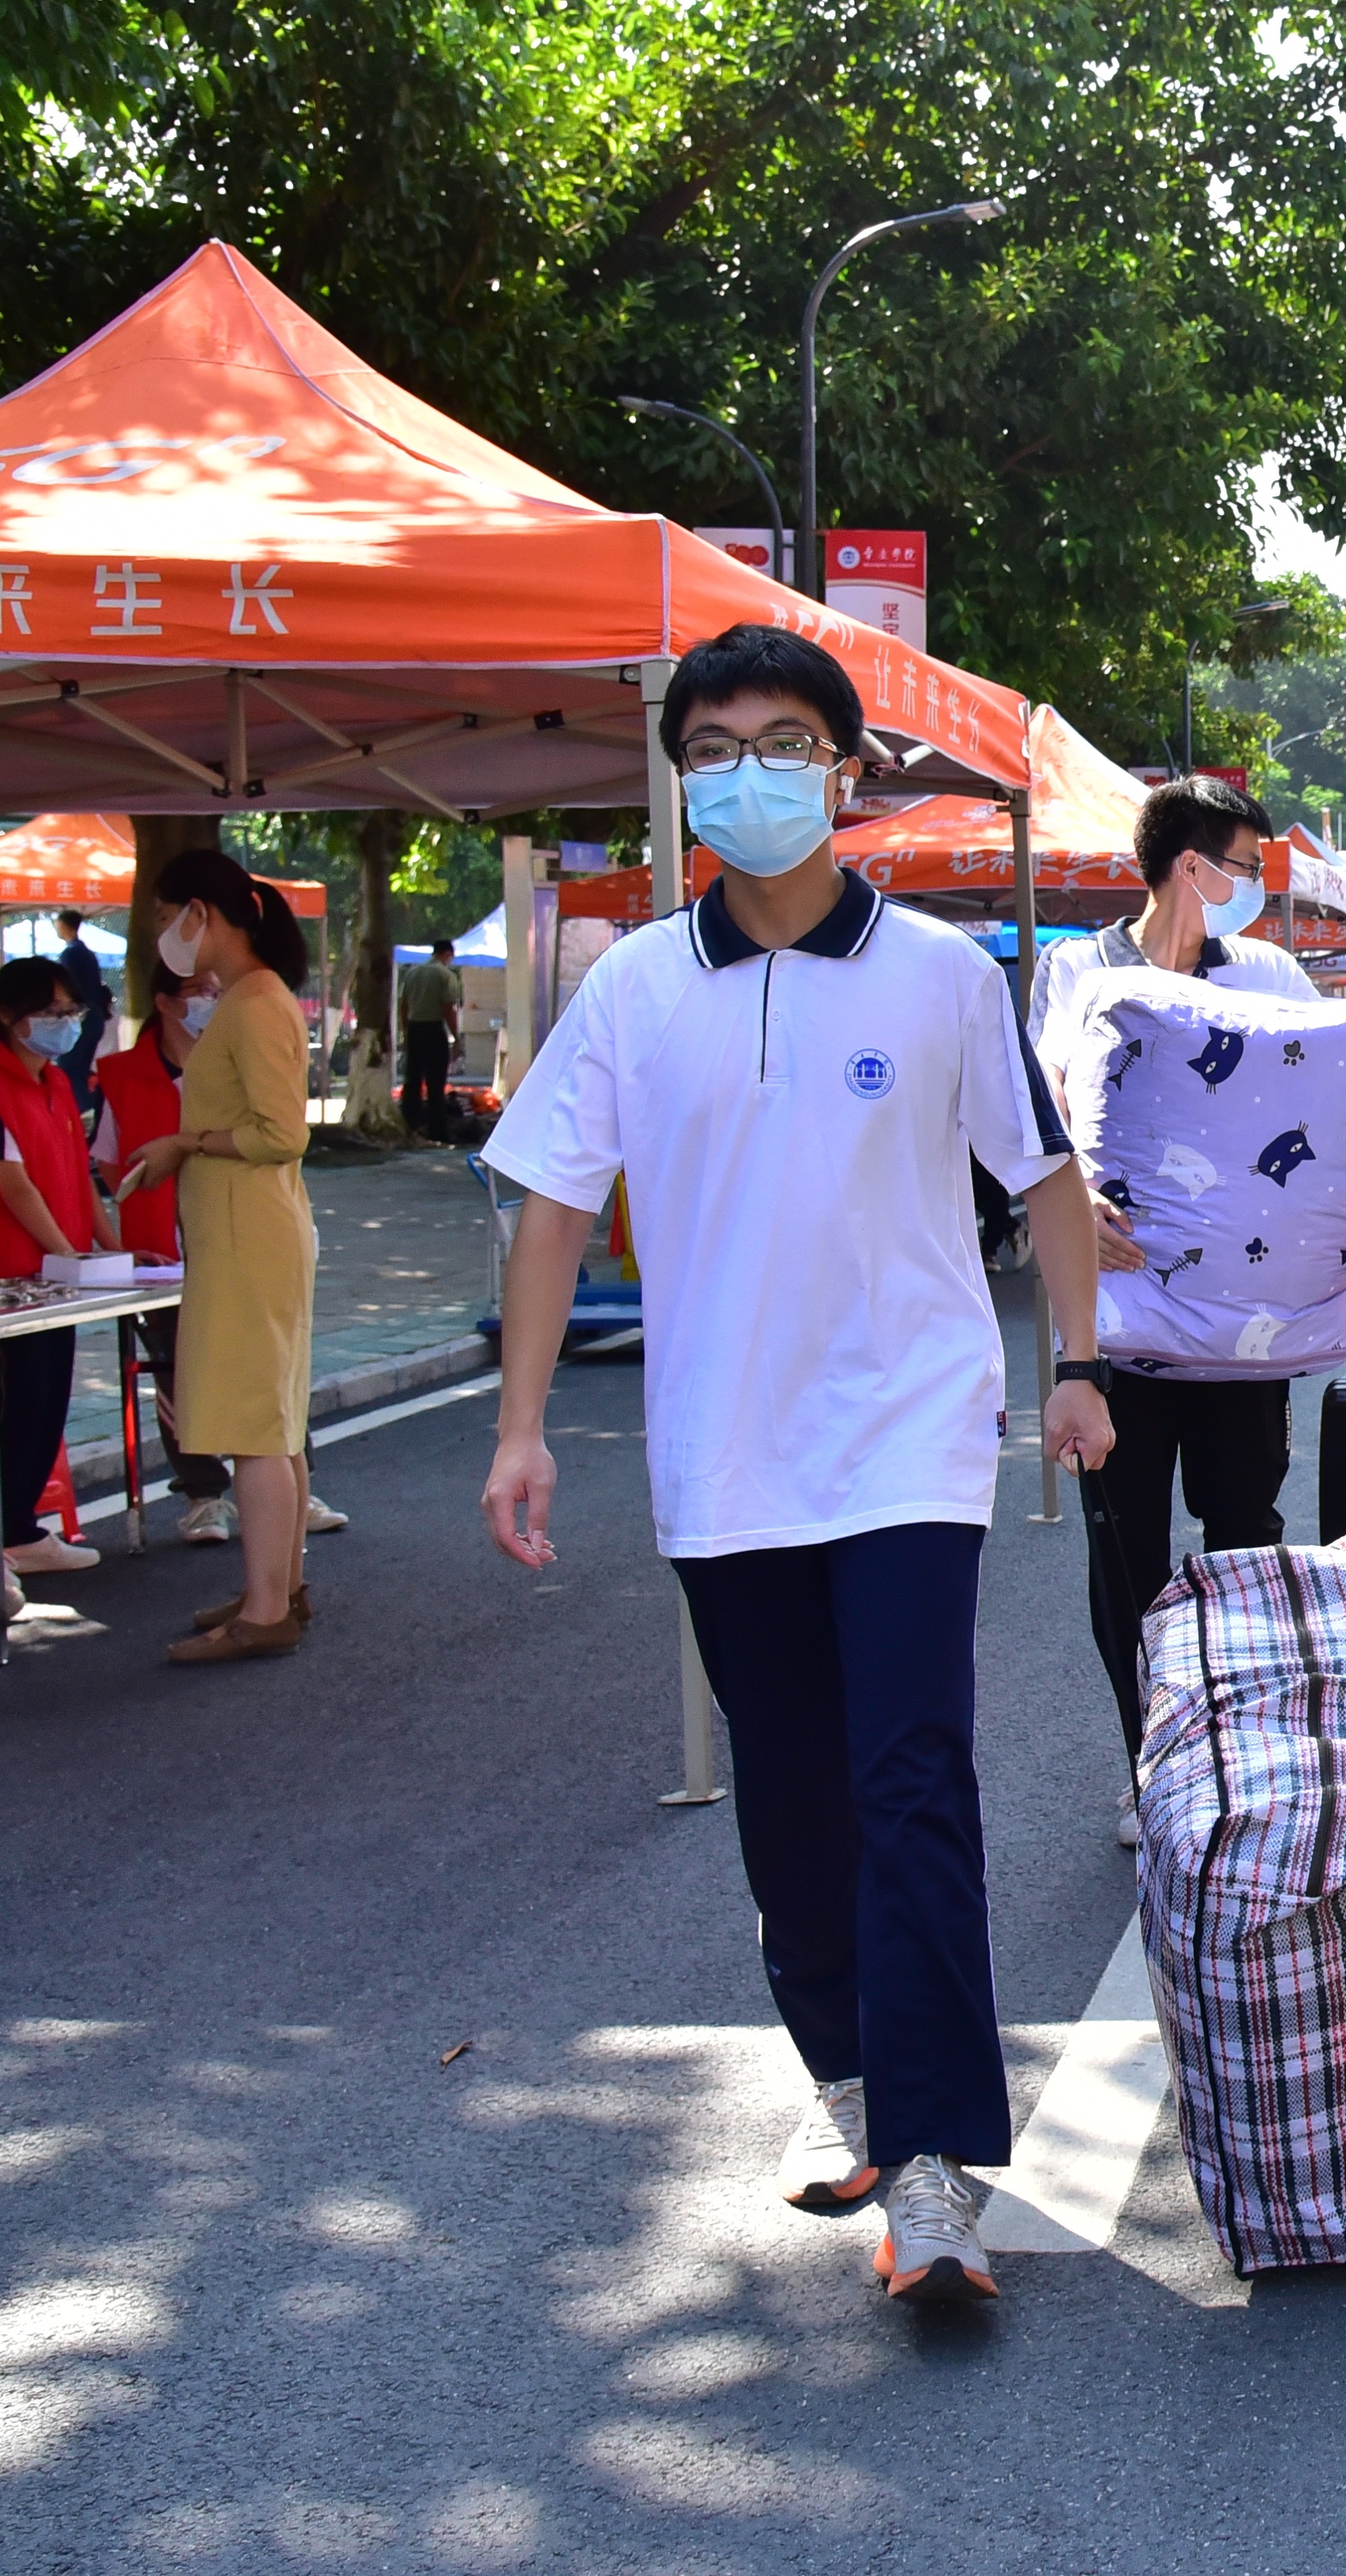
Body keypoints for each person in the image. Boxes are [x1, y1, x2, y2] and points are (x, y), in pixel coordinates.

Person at [478, 619, 1114, 2310]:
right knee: (793, 1800)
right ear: (686, 773)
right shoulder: (627, 986)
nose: (746, 769)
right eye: (715, 743)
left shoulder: (943, 978)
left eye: (781, 739)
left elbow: (1043, 1176)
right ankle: (843, 2068)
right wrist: (523, 1422)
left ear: (845, 770)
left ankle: (932, 2170)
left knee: (915, 1777)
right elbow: (551, 1199)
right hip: (724, 1453)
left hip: (909, 1437)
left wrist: (1079, 1363)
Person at [1038, 775, 1319, 1845]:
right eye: (1244, 865)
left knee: (1246, 1539)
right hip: (1113, 1326)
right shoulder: (1078, 969)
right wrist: (1077, 1196)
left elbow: (1319, 1105)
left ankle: (1244, 1755)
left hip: (1244, 1324)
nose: (1253, 886)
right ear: (1191, 866)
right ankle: (1153, 1762)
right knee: (1127, 1553)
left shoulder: (1271, 973)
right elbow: (1040, 1109)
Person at [108, 850, 318, 1662]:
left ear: (202, 912)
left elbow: (280, 1133)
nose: (165, 935)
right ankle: (279, 1587)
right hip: (247, 1227)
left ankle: (267, 1608)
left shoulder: (257, 1001)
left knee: (255, 1426)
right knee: (273, 1421)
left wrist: (185, 1142)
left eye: (167, 918)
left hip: (247, 1230)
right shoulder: (247, 999)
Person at [0, 957, 112, 1583]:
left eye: (73, 1013)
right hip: (8, 1276)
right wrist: (70, 1251)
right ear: (10, 1017)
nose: (65, 1024)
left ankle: (16, 1530)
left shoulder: (57, 1084)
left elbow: (79, 1176)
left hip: (59, 1271)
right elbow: (13, 1185)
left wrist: (113, 1250)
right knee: (17, 1406)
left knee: (46, 1400)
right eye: (52, 1013)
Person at [93, 953, 239, 1546]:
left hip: (236, 1234)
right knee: (177, 1365)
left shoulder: (234, 1060)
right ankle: (205, 1494)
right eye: (195, 990)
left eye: (214, 988)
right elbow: (107, 1159)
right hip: (161, 1247)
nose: (208, 998)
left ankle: (288, 1480)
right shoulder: (123, 1074)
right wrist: (122, 1241)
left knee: (263, 1354)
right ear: (162, 1001)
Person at [396, 934, 464, 1133]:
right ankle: (437, 1128)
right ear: (448, 954)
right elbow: (448, 1008)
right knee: (436, 1081)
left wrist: (406, 1031)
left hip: (415, 1028)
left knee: (413, 1079)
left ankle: (410, 1124)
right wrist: (456, 1037)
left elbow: (404, 1005)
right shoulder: (445, 975)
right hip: (434, 1029)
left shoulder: (412, 973)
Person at [51, 911, 115, 1111]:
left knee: (70, 1070)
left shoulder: (71, 954)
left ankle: (80, 1113)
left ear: (65, 926)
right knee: (79, 1068)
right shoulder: (86, 953)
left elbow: (70, 988)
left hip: (83, 1018)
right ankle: (87, 1110)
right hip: (94, 1017)